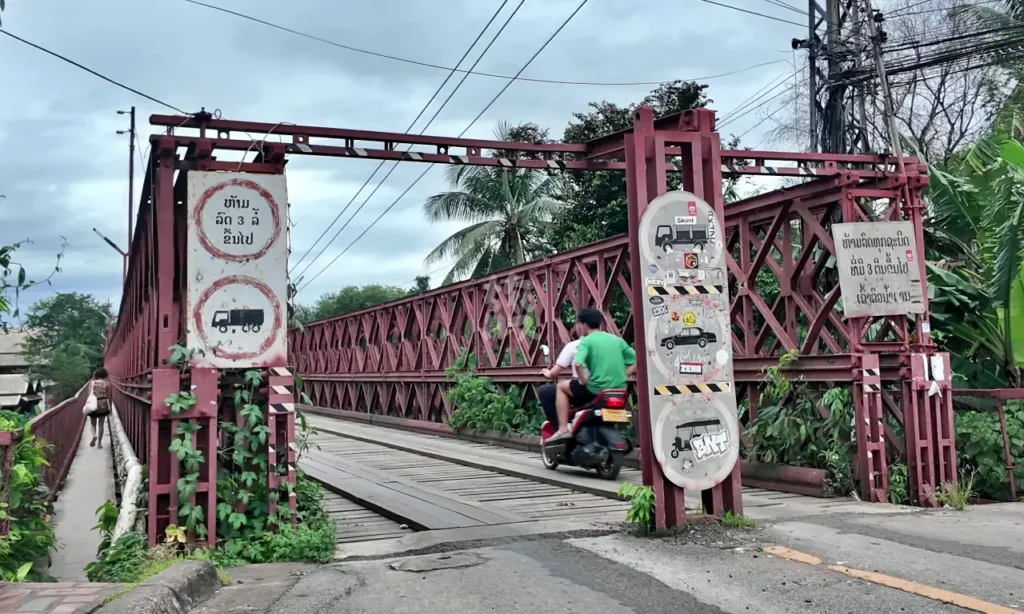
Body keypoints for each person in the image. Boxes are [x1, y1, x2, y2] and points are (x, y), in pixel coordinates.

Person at [550, 307, 637, 441]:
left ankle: (562, 429)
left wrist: (584, 380)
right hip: (619, 390)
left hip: (596, 389)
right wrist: (624, 374)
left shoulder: (586, 341)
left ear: (583, 325)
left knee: (561, 387)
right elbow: (638, 360)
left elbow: (578, 363)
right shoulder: (616, 340)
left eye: (578, 325)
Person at [538, 328, 582, 426]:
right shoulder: (614, 342)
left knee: (546, 391)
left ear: (580, 326)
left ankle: (561, 429)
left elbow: (554, 373)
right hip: (611, 389)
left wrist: (548, 373)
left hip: (585, 389)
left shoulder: (576, 345)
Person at [88, 367, 112, 449]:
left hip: (93, 405)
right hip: (103, 404)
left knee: (93, 424)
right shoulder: (107, 384)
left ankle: (94, 435)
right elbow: (109, 397)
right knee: (101, 424)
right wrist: (110, 407)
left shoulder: (92, 383)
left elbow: (89, 395)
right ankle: (99, 443)